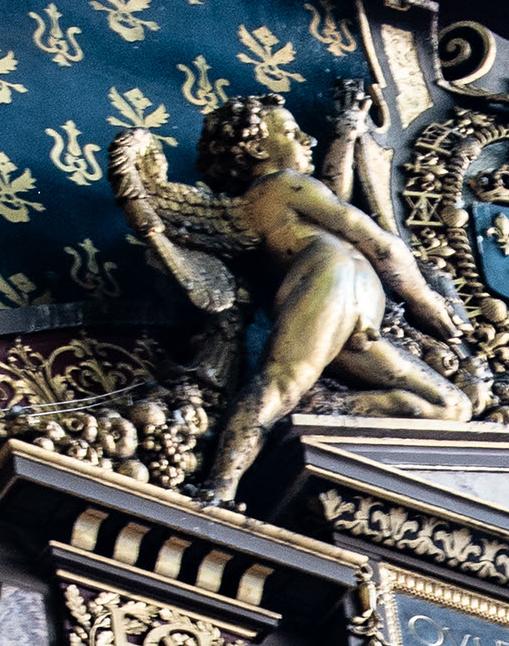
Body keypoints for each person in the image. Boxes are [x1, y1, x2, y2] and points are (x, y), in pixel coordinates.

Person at [115, 82, 473, 502]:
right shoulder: (279, 186)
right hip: (330, 282)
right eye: (289, 132)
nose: (307, 139)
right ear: (257, 152)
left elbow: (336, 199)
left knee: (452, 407)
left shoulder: (293, 198)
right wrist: (424, 300)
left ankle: (316, 410)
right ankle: (221, 486)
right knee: (280, 383)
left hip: (356, 316)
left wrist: (346, 132)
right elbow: (380, 243)